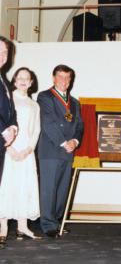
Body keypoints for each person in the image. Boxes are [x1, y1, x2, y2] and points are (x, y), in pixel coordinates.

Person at [37, 64, 84, 238]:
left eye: (67, 77)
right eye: (61, 77)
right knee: (49, 189)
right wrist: (65, 142)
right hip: (51, 149)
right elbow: (48, 123)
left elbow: (80, 125)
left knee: (62, 190)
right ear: (53, 78)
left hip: (68, 150)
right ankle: (48, 225)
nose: (64, 81)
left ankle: (57, 222)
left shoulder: (75, 102)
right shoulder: (45, 97)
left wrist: (75, 141)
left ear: (71, 80)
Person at [0, 67, 41, 241]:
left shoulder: (34, 104)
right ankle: (2, 227)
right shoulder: (9, 99)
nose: (23, 81)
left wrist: (28, 149)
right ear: (14, 81)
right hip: (9, 149)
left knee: (25, 186)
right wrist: (9, 148)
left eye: (27, 78)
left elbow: (36, 129)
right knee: (7, 186)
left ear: (31, 83)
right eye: (20, 78)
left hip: (26, 152)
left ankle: (22, 227)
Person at [0, 36, 17, 249]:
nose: (3, 57)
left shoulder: (4, 79)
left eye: (5, 53)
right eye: (0, 51)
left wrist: (13, 127)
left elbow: (10, 111)